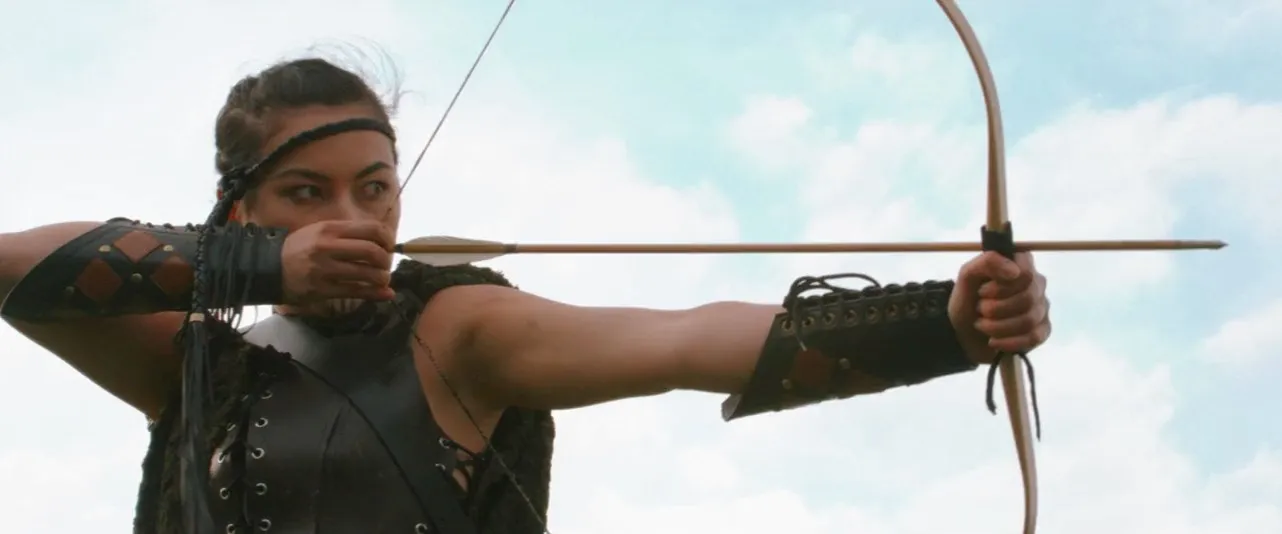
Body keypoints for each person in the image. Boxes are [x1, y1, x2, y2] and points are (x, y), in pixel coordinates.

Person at [0, 56, 1052, 534]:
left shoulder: (457, 327)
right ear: (239, 212)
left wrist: (947, 324)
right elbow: (12, 268)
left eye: (375, 189)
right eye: (306, 194)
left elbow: (685, 340)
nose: (355, 220)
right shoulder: (196, 366)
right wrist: (259, 272)